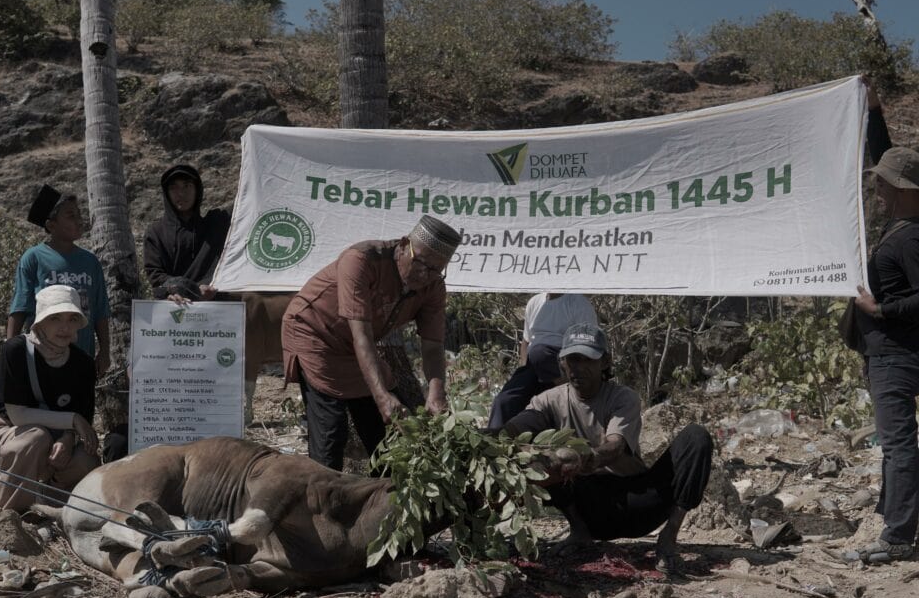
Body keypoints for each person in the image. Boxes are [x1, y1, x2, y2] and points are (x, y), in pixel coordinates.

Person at [500, 322, 713, 573]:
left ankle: (669, 535)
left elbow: (615, 446)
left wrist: (587, 457)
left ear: (604, 362)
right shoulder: (549, 400)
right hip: (588, 508)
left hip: (637, 502)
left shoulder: (623, 397)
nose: (578, 368)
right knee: (542, 459)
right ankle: (579, 531)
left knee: (696, 437)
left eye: (586, 360)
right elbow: (516, 428)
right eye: (572, 360)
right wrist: (486, 437)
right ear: (562, 363)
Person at [282, 214, 462, 470]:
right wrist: (381, 396)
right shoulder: (362, 260)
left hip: (354, 346)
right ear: (403, 245)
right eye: (420, 262)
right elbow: (362, 337)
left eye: (435, 269)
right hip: (314, 333)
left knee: (389, 435)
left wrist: (436, 392)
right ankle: (322, 501)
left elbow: (432, 346)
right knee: (331, 431)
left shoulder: (432, 286)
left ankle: (382, 498)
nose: (425, 274)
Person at [847, 79, 919, 563]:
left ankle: (896, 539)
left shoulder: (910, 237)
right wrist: (874, 111)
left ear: (897, 189)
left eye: (880, 181)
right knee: (898, 444)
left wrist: (881, 310)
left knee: (898, 445)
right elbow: (892, 154)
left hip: (898, 354)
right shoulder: (902, 223)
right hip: (888, 353)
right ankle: (897, 522)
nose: (873, 186)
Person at [0, 285, 100, 511]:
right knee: (36, 437)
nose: (65, 328)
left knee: (87, 460)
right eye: (55, 318)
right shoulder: (16, 351)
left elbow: (83, 418)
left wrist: (67, 438)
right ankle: (8, 513)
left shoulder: (82, 364)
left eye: (72, 319)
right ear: (40, 322)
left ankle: (47, 504)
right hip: (9, 439)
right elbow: (17, 415)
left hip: (56, 441)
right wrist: (71, 420)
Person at [8, 185, 111, 376]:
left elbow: (100, 310)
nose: (80, 221)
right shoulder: (34, 258)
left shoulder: (90, 262)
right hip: (41, 355)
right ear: (51, 225)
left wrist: (104, 352)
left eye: (79, 214)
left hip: (82, 356)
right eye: (71, 216)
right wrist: (10, 351)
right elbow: (20, 306)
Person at [487, 292, 598, 430]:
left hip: (564, 361)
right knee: (504, 400)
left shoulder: (578, 303)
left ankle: (566, 389)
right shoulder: (535, 302)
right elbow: (526, 341)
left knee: (540, 353)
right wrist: (523, 366)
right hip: (533, 362)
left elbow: (589, 342)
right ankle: (494, 439)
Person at [143, 164, 231, 302]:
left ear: (197, 190)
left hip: (216, 304)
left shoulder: (216, 225)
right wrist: (187, 289)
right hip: (174, 304)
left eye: (187, 186)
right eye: (174, 188)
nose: (181, 193)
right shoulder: (155, 233)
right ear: (167, 193)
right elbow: (155, 274)